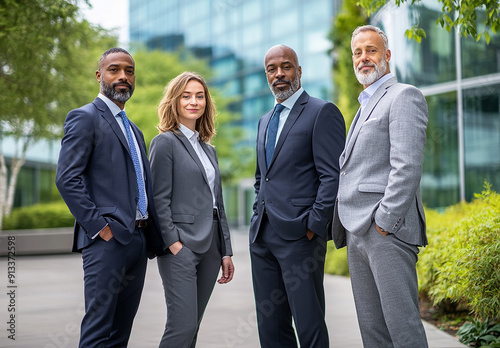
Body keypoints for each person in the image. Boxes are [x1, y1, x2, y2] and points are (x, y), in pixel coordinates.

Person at [55, 47, 166, 347]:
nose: (123, 77)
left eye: (129, 71)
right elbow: (67, 178)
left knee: (120, 332)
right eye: (114, 69)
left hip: (138, 241)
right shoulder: (84, 118)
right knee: (98, 329)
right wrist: (99, 228)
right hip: (106, 242)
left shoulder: (135, 131)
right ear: (99, 75)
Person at [331, 25, 429, 347]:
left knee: (403, 330)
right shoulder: (362, 107)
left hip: (386, 231)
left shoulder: (403, 96)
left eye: (371, 50)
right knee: (373, 333)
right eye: (357, 53)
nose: (363, 59)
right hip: (358, 231)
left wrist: (384, 222)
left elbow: (407, 165)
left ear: (387, 56)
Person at [250, 45, 346, 347]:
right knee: (271, 327)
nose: (279, 74)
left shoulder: (321, 112)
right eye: (272, 69)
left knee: (309, 323)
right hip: (262, 236)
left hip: (301, 238)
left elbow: (332, 176)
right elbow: (260, 177)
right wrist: (257, 212)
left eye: (286, 66)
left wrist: (314, 225)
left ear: (299, 71)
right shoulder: (264, 121)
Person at [149, 71, 235, 348]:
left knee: (193, 328)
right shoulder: (165, 143)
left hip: (211, 247)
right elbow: (158, 199)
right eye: (186, 96)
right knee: (181, 327)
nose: (193, 102)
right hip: (181, 247)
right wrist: (173, 243)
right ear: (174, 101)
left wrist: (226, 250)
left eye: (199, 96)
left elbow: (217, 203)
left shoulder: (208, 149)